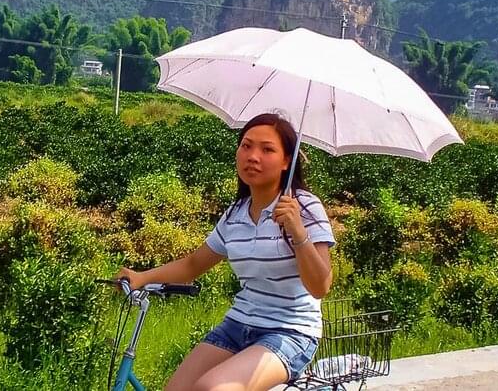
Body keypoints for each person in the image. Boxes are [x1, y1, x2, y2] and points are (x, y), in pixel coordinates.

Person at [115, 113, 335, 391]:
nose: (253, 156)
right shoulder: (236, 213)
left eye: (267, 150)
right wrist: (142, 277)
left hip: (290, 332)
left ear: (286, 161)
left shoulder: (304, 207)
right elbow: (194, 264)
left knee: (211, 388)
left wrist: (298, 232)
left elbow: (320, 286)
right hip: (238, 324)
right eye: (246, 146)